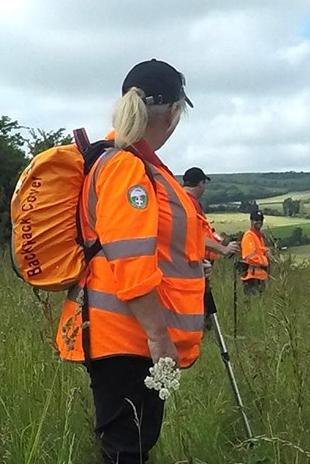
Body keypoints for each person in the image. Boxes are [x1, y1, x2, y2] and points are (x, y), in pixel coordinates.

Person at [53, 59, 201, 463]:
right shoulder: (126, 167)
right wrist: (159, 336)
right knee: (126, 450)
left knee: (130, 446)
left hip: (124, 335)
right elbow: (130, 257)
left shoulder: (126, 162)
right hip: (126, 336)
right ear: (172, 114)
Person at [182, 167, 237, 328]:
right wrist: (224, 249)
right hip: (193, 264)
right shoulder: (188, 203)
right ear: (200, 184)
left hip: (198, 262)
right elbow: (196, 236)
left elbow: (203, 234)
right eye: (204, 184)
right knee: (198, 306)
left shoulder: (182, 200)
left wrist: (219, 241)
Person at [240, 211, 271, 295]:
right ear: (251, 221)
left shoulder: (259, 236)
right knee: (252, 305)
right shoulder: (249, 236)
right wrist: (266, 260)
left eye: (260, 219)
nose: (259, 222)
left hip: (260, 277)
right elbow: (249, 257)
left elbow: (259, 251)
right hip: (251, 278)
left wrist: (265, 251)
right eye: (256, 219)